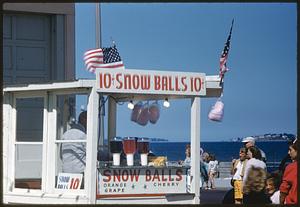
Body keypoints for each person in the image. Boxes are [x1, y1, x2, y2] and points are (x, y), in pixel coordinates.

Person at [279, 138, 298, 204]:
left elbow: (284, 189)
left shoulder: (292, 167)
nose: (288, 152)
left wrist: (281, 202)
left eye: (290, 150)